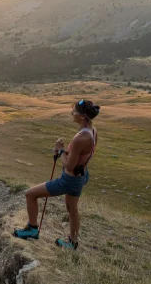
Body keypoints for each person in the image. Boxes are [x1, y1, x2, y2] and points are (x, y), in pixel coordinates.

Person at [14, 99, 100, 250]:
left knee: (30, 194)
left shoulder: (80, 137)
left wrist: (60, 150)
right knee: (72, 209)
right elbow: (82, 155)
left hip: (69, 179)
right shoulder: (92, 131)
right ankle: (72, 243)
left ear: (81, 116)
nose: (71, 113)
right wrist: (66, 152)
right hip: (81, 176)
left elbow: (69, 165)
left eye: (74, 111)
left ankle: (32, 229)